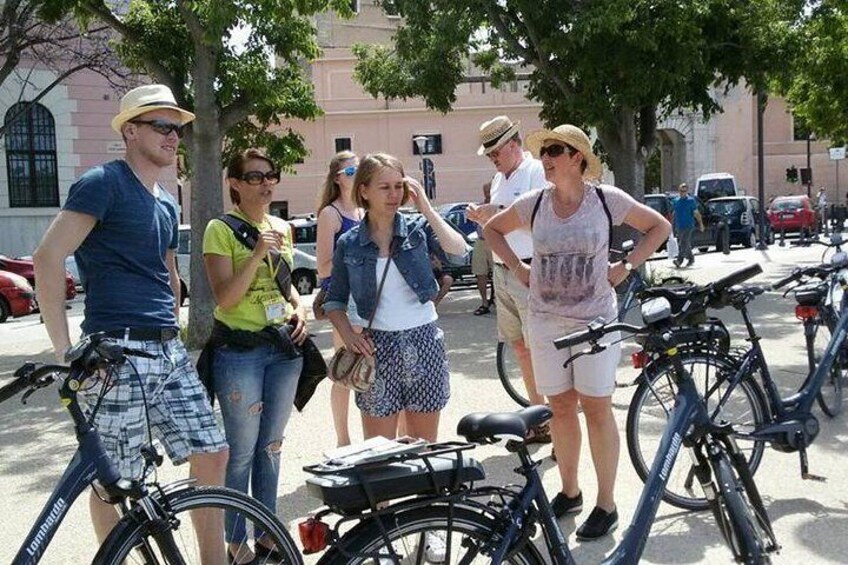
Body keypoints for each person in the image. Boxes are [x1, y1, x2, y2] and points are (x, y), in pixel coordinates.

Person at [32, 84, 229, 559]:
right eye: (161, 126)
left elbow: (166, 271)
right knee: (114, 481)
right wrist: (64, 351)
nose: (172, 136)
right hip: (115, 351)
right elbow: (47, 258)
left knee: (213, 450)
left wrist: (175, 307)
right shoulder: (103, 183)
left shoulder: (165, 199)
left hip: (167, 346)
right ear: (131, 130)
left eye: (176, 128)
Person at [485, 124, 670, 540]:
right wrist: (519, 268)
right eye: (544, 150)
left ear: (577, 158)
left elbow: (659, 227)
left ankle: (607, 503)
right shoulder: (534, 204)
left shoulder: (606, 200)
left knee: (597, 408)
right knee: (561, 409)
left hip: (594, 322)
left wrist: (627, 266)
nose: (546, 156)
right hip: (546, 320)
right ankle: (570, 491)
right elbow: (490, 229)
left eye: (555, 149)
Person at [202, 148, 307, 563]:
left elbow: (288, 288)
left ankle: (267, 533)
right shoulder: (220, 229)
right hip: (240, 351)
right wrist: (259, 253)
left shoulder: (282, 226)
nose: (265, 184)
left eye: (271, 176)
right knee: (241, 450)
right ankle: (235, 542)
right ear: (235, 183)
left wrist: (300, 307)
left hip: (283, 349)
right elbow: (226, 298)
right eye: (255, 176)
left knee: (272, 447)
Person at [466, 115, 550, 443]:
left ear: (512, 145)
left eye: (494, 153)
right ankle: (538, 416)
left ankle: (553, 420)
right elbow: (503, 216)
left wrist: (496, 212)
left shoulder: (536, 172)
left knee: (540, 349)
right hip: (504, 269)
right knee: (520, 347)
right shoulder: (501, 178)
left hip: (529, 268)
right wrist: (488, 212)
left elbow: (542, 220)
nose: (492, 159)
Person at [315, 150, 365, 447]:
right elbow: (323, 266)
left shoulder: (361, 211)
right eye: (349, 172)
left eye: (358, 170)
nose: (355, 175)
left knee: (372, 363)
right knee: (344, 368)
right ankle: (343, 440)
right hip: (343, 298)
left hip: (367, 295)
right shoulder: (329, 214)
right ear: (337, 179)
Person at [471, 181, 494, 315]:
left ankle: (497, 301)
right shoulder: (479, 207)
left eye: (489, 192)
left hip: (494, 242)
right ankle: (484, 303)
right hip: (480, 241)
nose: (487, 195)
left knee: (498, 274)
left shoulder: (498, 206)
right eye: (485, 192)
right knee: (480, 273)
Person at [671, 182, 704, 267]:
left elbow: (696, 213)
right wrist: (672, 225)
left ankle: (679, 261)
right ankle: (691, 258)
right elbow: (674, 213)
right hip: (679, 226)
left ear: (687, 191)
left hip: (689, 225)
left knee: (684, 242)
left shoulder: (691, 201)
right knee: (683, 243)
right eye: (682, 191)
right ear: (679, 191)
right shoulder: (676, 201)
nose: (683, 192)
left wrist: (701, 224)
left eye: (685, 191)